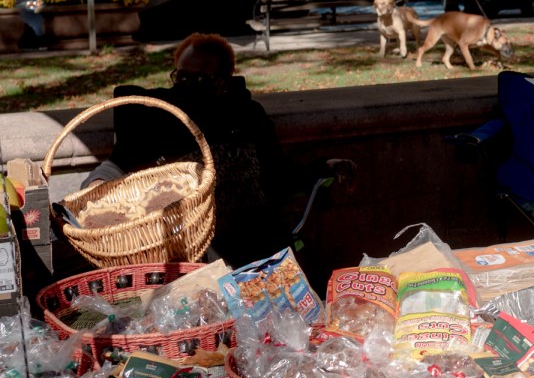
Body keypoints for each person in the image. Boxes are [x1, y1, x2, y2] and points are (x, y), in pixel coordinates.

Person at [83, 33, 355, 267]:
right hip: (190, 241)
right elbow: (117, 164)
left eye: (199, 80)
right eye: (181, 77)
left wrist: (325, 166)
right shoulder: (162, 116)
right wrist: (96, 185)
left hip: (254, 234)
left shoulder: (247, 115)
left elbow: (278, 173)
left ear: (223, 81)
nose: (186, 87)